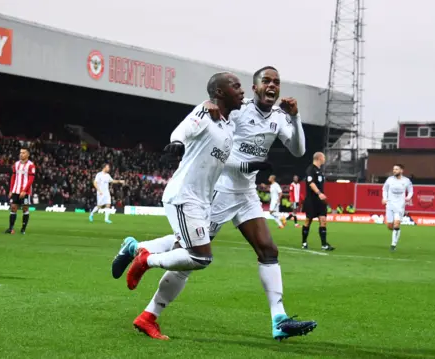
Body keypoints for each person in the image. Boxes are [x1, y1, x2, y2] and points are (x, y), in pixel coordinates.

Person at [113, 67, 316, 341]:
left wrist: (296, 116)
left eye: (276, 82)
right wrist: (243, 161)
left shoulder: (280, 118)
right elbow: (214, 128)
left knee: (268, 249)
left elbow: (299, 150)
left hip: (246, 194)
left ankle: (278, 319)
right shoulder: (238, 109)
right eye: (265, 81)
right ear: (254, 87)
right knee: (190, 255)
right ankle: (148, 301)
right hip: (220, 191)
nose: (272, 86)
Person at [122, 72, 245, 339]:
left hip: (202, 202)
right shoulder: (205, 112)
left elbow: (225, 160)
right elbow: (183, 128)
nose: (242, 90)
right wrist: (177, 143)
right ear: (220, 93)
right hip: (183, 197)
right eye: (236, 86)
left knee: (185, 265)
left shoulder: (228, 125)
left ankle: (148, 317)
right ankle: (146, 258)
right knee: (201, 258)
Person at [301, 152, 335, 251]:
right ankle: (304, 242)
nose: (325, 159)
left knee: (323, 221)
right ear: (319, 158)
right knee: (308, 221)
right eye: (324, 157)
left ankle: (324, 244)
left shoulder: (320, 171)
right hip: (312, 200)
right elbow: (311, 183)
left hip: (320, 202)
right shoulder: (310, 169)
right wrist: (319, 193)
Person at [382, 164, 413, 251]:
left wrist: (408, 197)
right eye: (394, 169)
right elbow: (384, 189)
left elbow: (411, 191)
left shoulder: (406, 181)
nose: (394, 171)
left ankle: (393, 245)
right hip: (390, 205)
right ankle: (396, 231)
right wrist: (384, 198)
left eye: (396, 169)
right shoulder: (389, 180)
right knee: (389, 226)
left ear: (401, 171)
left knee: (396, 224)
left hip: (400, 206)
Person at [5, 147, 36, 235]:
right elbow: (13, 177)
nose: (21, 154)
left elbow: (31, 179)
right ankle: (11, 228)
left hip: (25, 191)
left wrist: (24, 190)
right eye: (20, 152)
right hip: (15, 190)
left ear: (28, 154)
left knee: (25, 208)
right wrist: (11, 190)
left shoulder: (31, 165)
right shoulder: (16, 164)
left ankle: (23, 229)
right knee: (13, 207)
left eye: (23, 153)